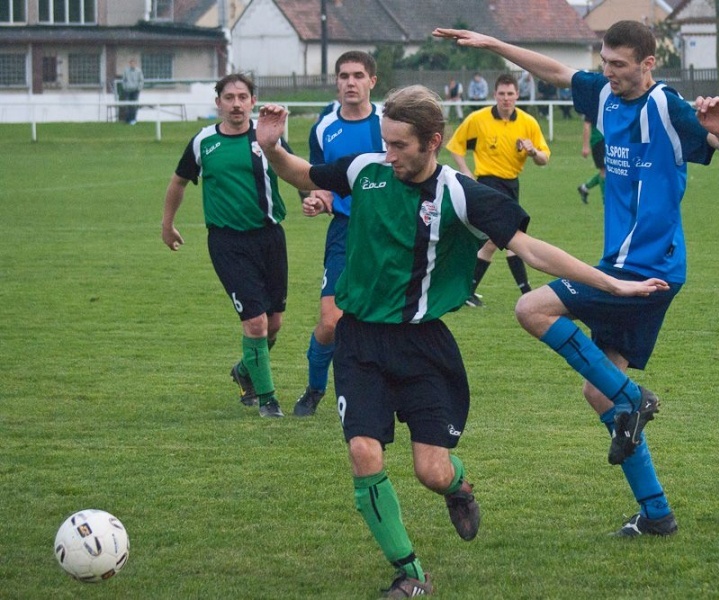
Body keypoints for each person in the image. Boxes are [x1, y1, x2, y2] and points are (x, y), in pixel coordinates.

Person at [255, 85, 668, 596]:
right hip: (359, 341)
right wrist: (273, 146)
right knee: (365, 453)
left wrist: (612, 284)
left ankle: (459, 488)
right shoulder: (366, 169)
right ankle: (411, 574)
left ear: (434, 141)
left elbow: (532, 251)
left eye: (400, 146)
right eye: (385, 142)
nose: (389, 154)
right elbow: (303, 174)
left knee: (431, 471)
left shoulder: (460, 193)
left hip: (423, 347)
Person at [434, 21, 719, 536]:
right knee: (600, 396)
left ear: (648, 64)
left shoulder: (666, 106)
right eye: (604, 62)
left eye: (619, 65)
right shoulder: (603, 95)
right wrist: (492, 43)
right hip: (624, 265)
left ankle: (636, 399)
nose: (608, 72)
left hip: (648, 269)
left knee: (531, 309)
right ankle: (657, 513)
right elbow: (555, 71)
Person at [161, 73, 295, 418]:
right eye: (229, 97)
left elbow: (295, 171)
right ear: (218, 102)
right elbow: (178, 182)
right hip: (227, 242)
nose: (236, 103)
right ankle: (268, 400)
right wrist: (167, 224)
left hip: (270, 237)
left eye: (243, 97)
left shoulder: (266, 138)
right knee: (255, 324)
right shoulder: (204, 142)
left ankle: (244, 369)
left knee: (275, 323)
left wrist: (314, 196)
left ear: (253, 101)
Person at [293, 51, 384, 418]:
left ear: (372, 82)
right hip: (345, 232)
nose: (350, 82)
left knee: (382, 320)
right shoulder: (323, 127)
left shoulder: (388, 123)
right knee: (331, 321)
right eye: (344, 75)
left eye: (358, 75)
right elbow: (319, 181)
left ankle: (381, 391)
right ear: (336, 81)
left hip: (385, 232)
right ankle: (315, 388)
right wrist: (317, 200)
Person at [445, 73, 551, 307]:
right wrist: (465, 171)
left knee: (499, 240)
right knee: (506, 237)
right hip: (487, 184)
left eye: (510, 94)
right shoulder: (478, 119)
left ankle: (467, 291)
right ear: (494, 95)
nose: (506, 99)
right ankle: (525, 291)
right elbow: (454, 145)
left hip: (512, 184)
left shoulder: (527, 123)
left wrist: (533, 152)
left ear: (517, 95)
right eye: (501, 94)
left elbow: (544, 159)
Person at [577, 117, 605, 204]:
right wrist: (585, 146)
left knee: (610, 171)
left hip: (609, 140)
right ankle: (606, 202)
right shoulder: (594, 107)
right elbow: (587, 124)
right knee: (604, 171)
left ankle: (585, 187)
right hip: (599, 141)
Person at [121, 58, 144, 124]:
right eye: (131, 63)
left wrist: (138, 88)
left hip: (135, 91)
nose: (132, 64)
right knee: (127, 105)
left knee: (134, 105)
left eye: (134, 63)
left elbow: (141, 80)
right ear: (129, 64)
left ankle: (133, 119)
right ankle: (127, 120)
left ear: (135, 64)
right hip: (127, 90)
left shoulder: (139, 71)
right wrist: (125, 87)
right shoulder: (126, 71)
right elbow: (124, 80)